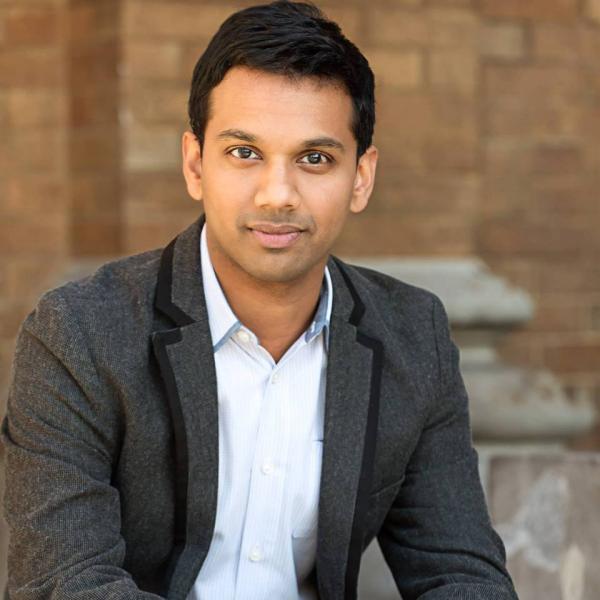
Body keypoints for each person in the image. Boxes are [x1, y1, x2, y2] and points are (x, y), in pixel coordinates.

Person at [1, 1, 519, 599]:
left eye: (314, 158)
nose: (278, 195)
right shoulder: (79, 334)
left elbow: (462, 575)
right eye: (244, 153)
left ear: (361, 178)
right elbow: (63, 584)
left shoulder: (412, 333)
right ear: (196, 164)